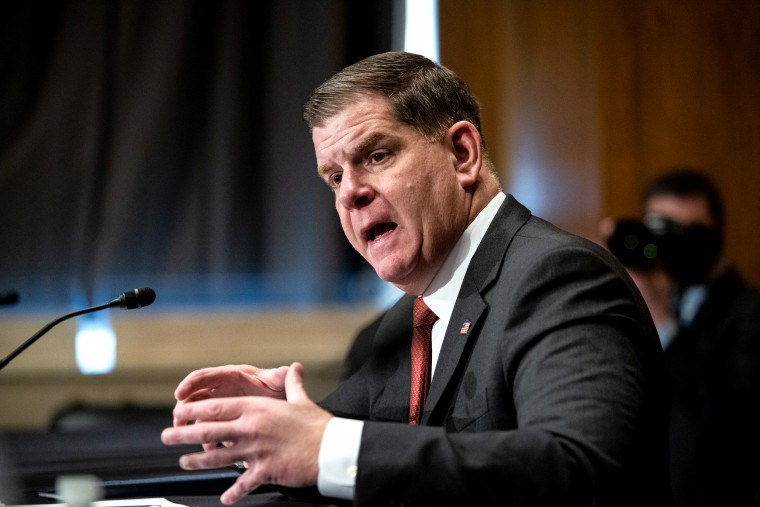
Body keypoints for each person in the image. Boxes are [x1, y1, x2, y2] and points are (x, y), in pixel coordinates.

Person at [161, 51, 672, 506]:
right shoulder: (403, 326)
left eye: (376, 156)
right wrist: (276, 423)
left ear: (462, 154)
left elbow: (578, 469)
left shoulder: (556, 277)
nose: (348, 195)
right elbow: (350, 460)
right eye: (334, 177)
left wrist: (325, 445)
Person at [605, 168, 760, 507]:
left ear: (718, 233)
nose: (674, 246)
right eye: (662, 231)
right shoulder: (631, 305)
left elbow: (730, 431)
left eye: (690, 233)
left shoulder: (749, 315)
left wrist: (662, 320)